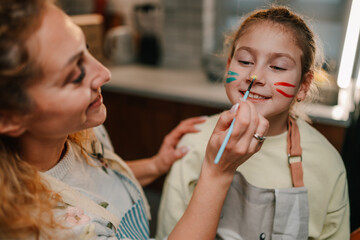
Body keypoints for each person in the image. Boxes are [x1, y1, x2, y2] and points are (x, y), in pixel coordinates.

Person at [0, 0, 269, 239]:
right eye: (75, 75)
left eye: (88, 49)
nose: (104, 73)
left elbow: (91, 178)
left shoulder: (86, 127)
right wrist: (217, 173)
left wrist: (154, 165)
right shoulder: (51, 229)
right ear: (10, 118)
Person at [157, 6, 350, 240]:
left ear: (304, 85)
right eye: (245, 61)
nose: (254, 76)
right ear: (228, 65)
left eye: (278, 66)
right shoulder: (193, 142)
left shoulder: (326, 163)